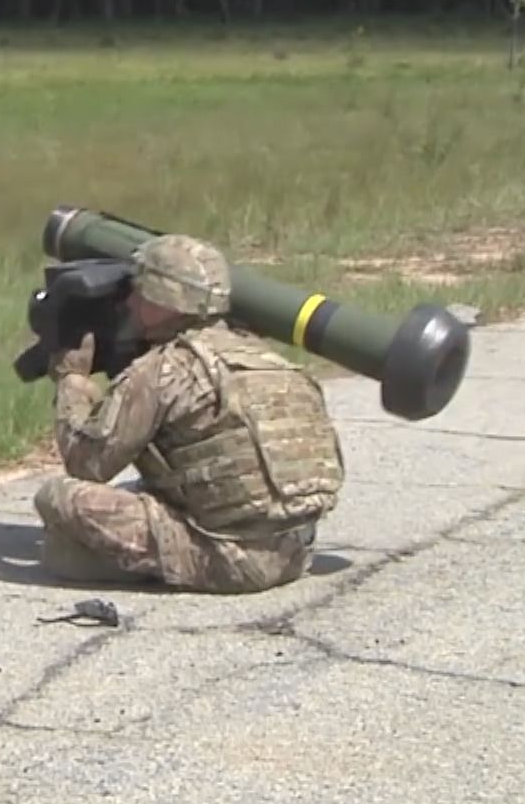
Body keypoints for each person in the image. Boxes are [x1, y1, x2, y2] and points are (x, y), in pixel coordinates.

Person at [31, 233, 345, 593]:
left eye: (141, 290)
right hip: (295, 552)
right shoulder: (265, 357)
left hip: (229, 560)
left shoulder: (163, 370)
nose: (131, 301)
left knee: (58, 500)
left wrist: (72, 378)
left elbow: (86, 464)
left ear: (165, 300)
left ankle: (162, 563)